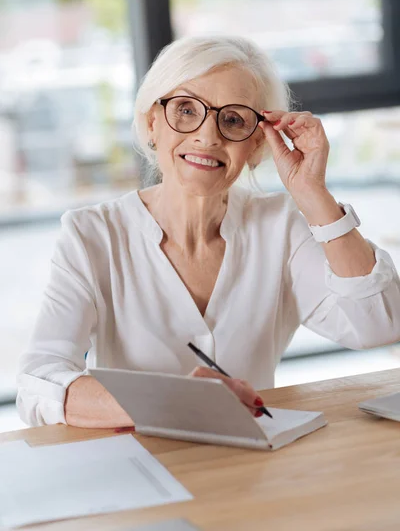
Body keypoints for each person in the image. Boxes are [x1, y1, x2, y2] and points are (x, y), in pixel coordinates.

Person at [16, 36, 400, 428]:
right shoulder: (92, 234)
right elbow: (38, 384)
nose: (208, 136)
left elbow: (378, 324)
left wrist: (313, 193)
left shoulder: (280, 226)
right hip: (139, 468)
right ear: (152, 123)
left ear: (255, 146)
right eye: (186, 110)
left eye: (233, 119)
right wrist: (176, 402)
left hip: (251, 467)